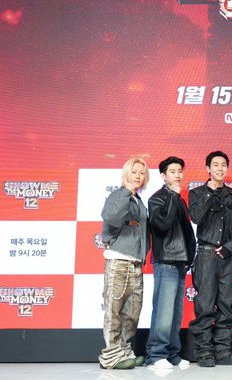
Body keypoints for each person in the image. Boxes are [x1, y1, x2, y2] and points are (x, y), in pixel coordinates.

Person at [187, 151, 232, 367]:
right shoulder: (197, 193)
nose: (220, 168)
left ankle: (223, 351)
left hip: (227, 255)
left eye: (223, 165)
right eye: (215, 165)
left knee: (227, 304)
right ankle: (204, 352)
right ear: (208, 169)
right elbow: (196, 217)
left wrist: (229, 247)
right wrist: (211, 193)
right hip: (206, 254)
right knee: (205, 305)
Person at [98, 157, 150, 370]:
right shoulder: (119, 195)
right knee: (114, 311)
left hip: (136, 263)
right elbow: (110, 216)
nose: (138, 176)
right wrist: (126, 191)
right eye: (134, 171)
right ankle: (110, 356)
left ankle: (124, 351)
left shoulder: (138, 200)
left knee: (132, 313)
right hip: (119, 262)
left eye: (141, 173)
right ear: (126, 174)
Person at [145, 156, 196, 370]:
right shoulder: (156, 199)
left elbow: (187, 232)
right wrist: (174, 195)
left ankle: (172, 354)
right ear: (163, 176)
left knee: (175, 313)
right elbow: (163, 224)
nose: (177, 175)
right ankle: (155, 355)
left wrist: (190, 257)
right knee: (163, 311)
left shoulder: (180, 200)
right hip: (166, 260)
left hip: (181, 261)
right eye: (172, 171)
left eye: (180, 171)